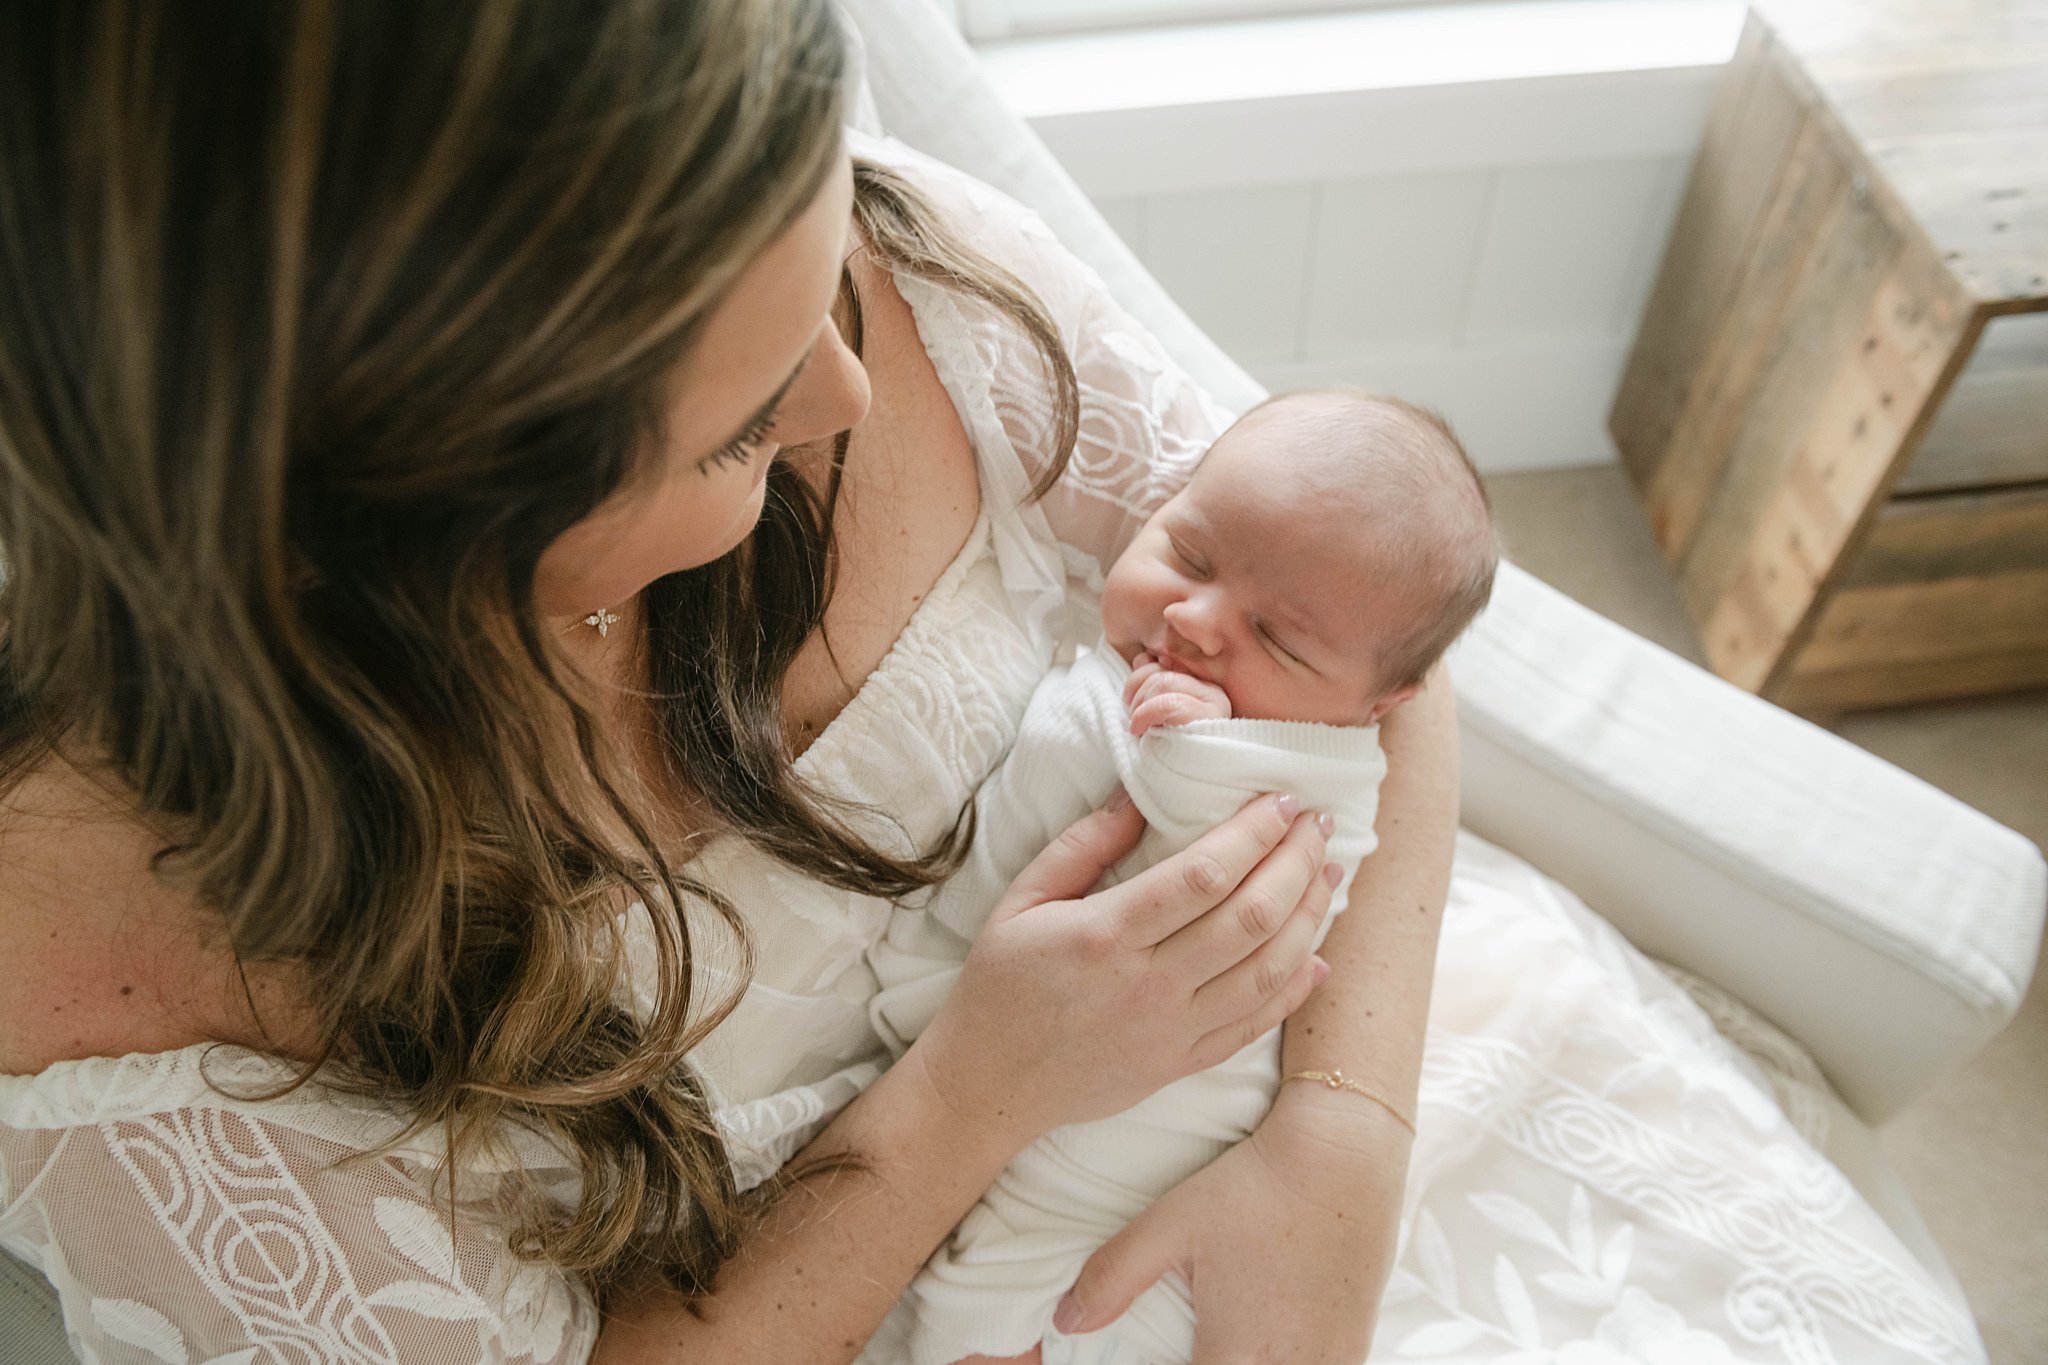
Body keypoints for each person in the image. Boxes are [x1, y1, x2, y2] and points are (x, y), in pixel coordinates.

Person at [0, 5, 1444, 1364]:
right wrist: (972, 1091)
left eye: (823, 277)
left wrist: (1341, 1134)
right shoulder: (122, 1000)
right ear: (397, 531)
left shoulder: (846, 251)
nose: (845, 394)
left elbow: (1375, 615)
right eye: (738, 431)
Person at [865, 387, 1499, 1365]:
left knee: (1019, 1290)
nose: (1195, 619)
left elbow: (1243, 836)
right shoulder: (1147, 656)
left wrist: (1192, 745)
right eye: (1188, 556)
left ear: (1383, 703)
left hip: (1140, 1137)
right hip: (1002, 1051)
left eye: (1278, 640)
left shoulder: (1313, 762)